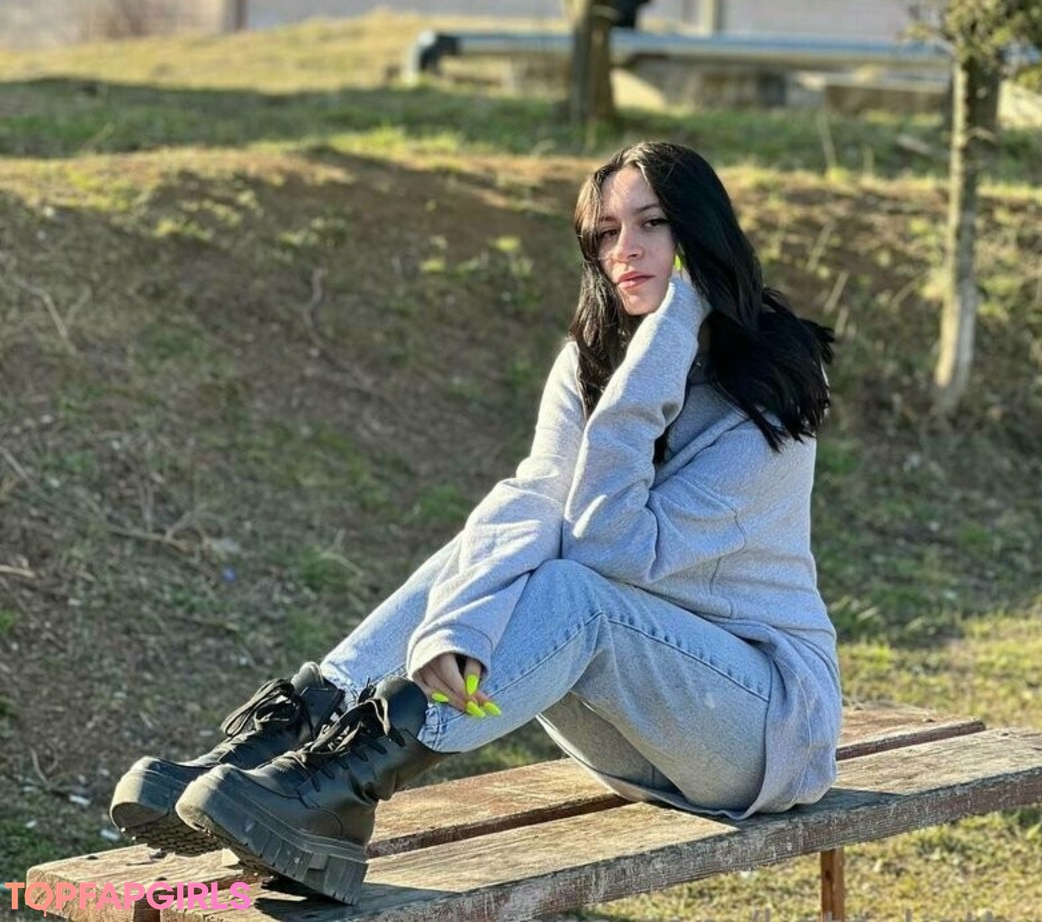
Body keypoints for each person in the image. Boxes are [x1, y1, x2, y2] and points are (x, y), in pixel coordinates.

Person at [110, 141, 841, 906]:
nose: (624, 248)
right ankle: (302, 725)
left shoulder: (774, 383)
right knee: (499, 540)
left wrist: (664, 343)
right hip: (633, 736)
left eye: (652, 223)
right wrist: (457, 626)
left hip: (765, 728)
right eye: (605, 232)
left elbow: (609, 548)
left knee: (572, 587)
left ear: (701, 234)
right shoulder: (589, 360)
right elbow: (534, 506)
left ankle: (344, 784)